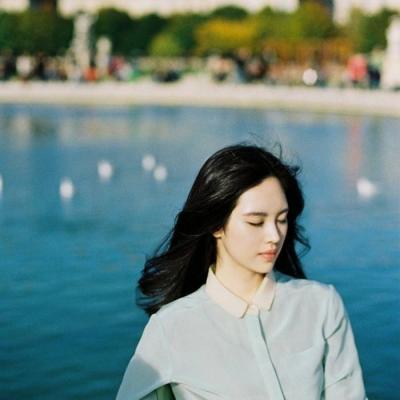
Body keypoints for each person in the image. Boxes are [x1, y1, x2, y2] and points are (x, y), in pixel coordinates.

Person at [116, 143, 366, 400]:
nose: (274, 235)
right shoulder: (170, 329)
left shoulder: (321, 305)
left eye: (282, 219)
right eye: (256, 222)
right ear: (216, 225)